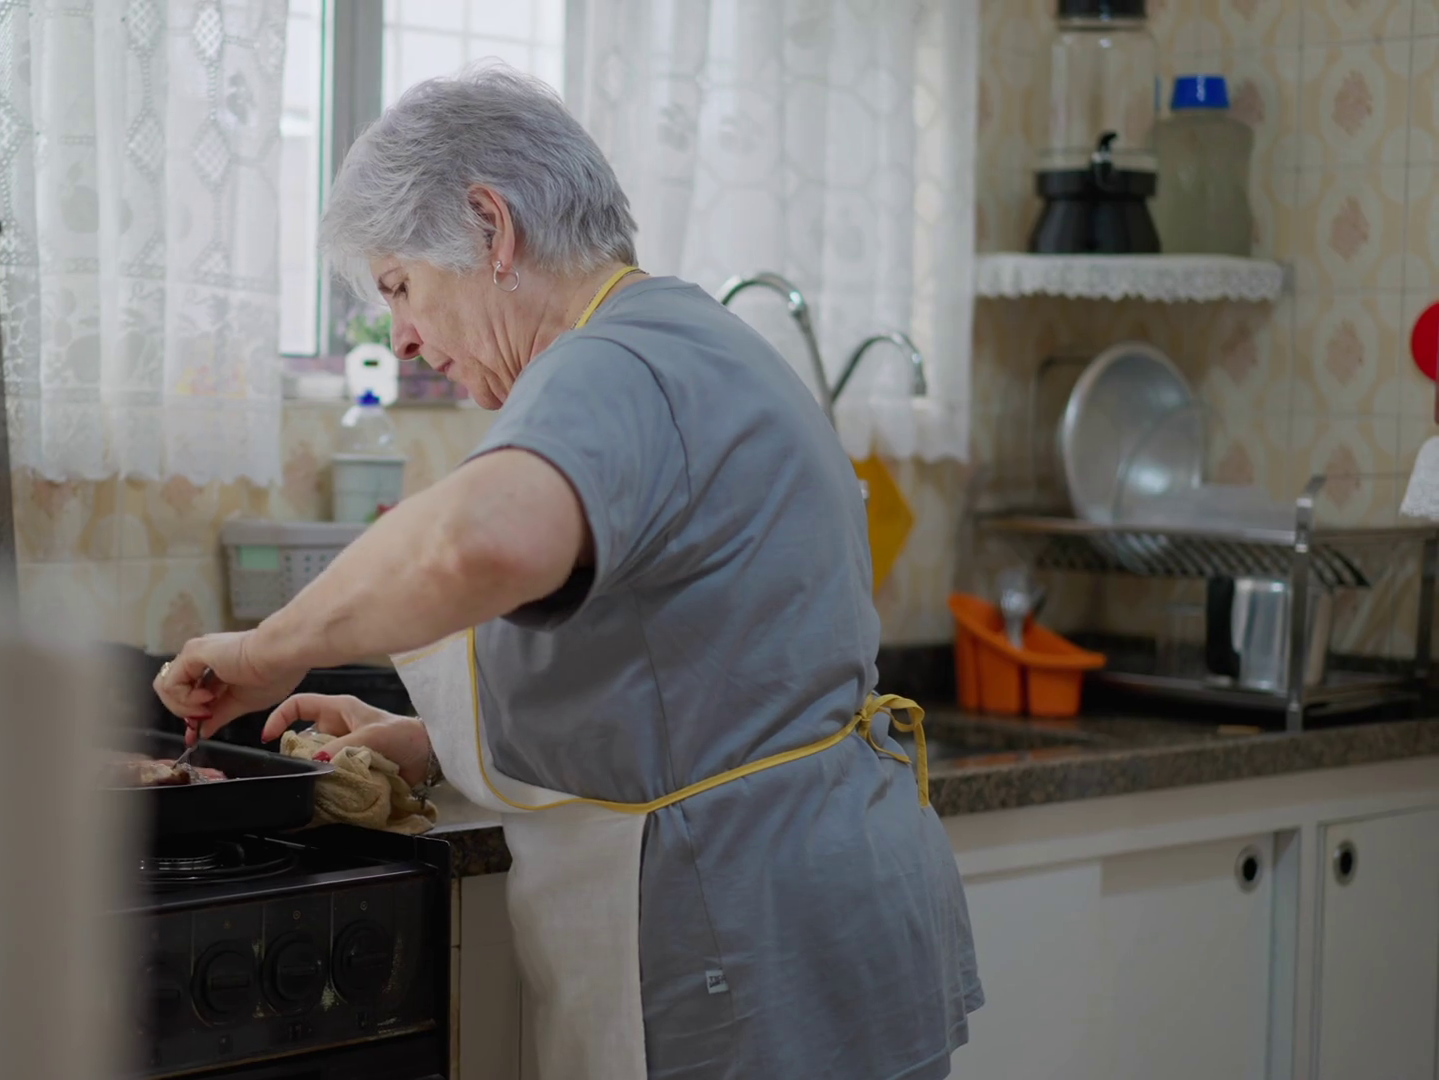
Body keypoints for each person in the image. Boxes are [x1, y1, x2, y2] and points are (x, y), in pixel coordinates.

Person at [155, 65, 981, 1080]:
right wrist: (423, 742)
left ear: (491, 228)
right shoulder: (693, 342)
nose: (401, 335)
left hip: (741, 937)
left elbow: (480, 545)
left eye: (399, 286)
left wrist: (263, 650)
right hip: (821, 926)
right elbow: (692, 663)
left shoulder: (613, 362)